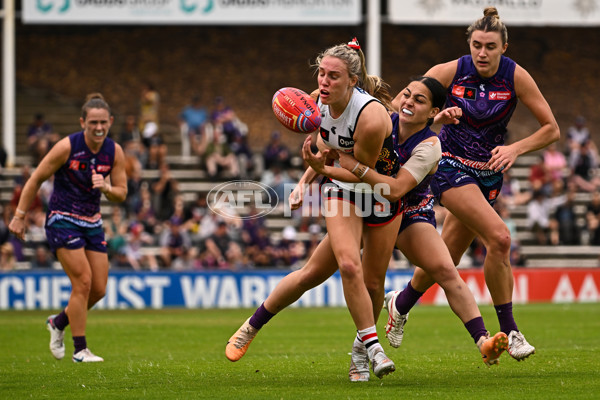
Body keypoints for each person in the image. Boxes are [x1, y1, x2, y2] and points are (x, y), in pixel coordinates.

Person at [388, 7, 560, 361]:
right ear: (469, 45)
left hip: (488, 173)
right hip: (447, 164)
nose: (482, 53)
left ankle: (400, 304)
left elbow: (551, 129)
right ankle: (510, 330)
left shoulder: (515, 77)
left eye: (490, 47)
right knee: (500, 237)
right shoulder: (450, 71)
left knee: (445, 260)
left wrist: (516, 147)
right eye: (477, 45)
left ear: (504, 47)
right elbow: (399, 107)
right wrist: (436, 117)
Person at [226, 38, 403, 381]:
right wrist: (308, 180)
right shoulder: (317, 105)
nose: (324, 82)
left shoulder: (370, 116)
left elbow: (361, 169)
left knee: (365, 280)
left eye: (333, 76)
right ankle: (373, 348)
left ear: (353, 80)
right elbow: (327, 148)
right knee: (349, 265)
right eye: (321, 73)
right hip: (342, 190)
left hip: (378, 188)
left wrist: (319, 170)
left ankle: (359, 354)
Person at [334, 76, 508, 367]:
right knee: (328, 275)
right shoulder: (380, 122)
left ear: (431, 112)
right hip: (363, 208)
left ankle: (484, 341)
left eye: (419, 100)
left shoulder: (431, 145)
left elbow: (397, 190)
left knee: (446, 270)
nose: (409, 101)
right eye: (407, 94)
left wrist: (356, 167)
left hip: (408, 211)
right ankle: (363, 346)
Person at [8, 93, 127, 362]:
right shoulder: (66, 147)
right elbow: (36, 178)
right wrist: (19, 215)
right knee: (83, 282)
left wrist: (107, 188)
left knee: (98, 289)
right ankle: (80, 349)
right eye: (92, 123)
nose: (98, 128)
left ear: (111, 121)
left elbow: (122, 192)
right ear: (82, 121)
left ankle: (58, 322)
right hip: (62, 219)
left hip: (92, 222)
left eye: (103, 123)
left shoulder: (114, 151)